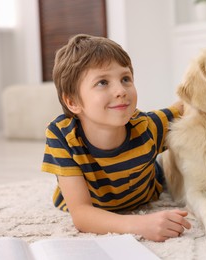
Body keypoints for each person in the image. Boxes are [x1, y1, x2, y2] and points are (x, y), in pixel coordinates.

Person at [42, 34, 191, 242]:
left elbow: (184, 105)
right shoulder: (62, 137)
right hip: (90, 199)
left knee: (167, 167)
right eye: (103, 82)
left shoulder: (147, 127)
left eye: (125, 79)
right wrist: (140, 225)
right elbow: (82, 215)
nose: (121, 90)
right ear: (73, 102)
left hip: (146, 183)